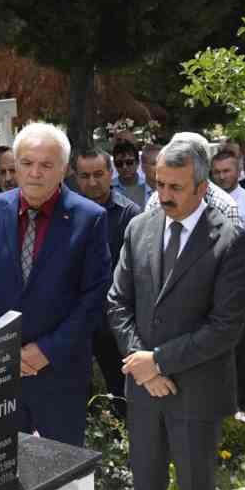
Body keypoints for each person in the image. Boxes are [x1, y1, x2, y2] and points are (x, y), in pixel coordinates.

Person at [106, 133, 245, 490]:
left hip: (196, 391)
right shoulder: (140, 229)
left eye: (175, 186)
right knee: (145, 484)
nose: (163, 195)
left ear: (202, 185)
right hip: (144, 388)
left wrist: (161, 361)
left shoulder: (229, 239)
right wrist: (142, 365)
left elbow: (226, 327)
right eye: (158, 183)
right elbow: (117, 303)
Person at [0, 122, 111, 445]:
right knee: (2, 473)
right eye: (27, 163)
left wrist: (46, 350)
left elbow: (94, 296)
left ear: (64, 169)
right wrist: (1, 347)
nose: (35, 173)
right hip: (1, 370)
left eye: (46, 165)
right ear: (15, 166)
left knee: (63, 476)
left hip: (60, 372)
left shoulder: (89, 218)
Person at [71, 147, 142, 404]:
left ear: (110, 173)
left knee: (121, 389)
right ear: (76, 178)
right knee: (79, 390)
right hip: (76, 317)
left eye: (99, 174)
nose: (92, 182)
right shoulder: (67, 214)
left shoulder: (130, 215)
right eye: (85, 175)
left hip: (114, 319)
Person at [210, 146, 245, 241]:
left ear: (238, 172)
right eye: (217, 172)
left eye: (226, 171)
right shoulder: (206, 200)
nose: (222, 177)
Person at [110, 137, 149, 208]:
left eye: (129, 162)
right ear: (115, 165)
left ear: (137, 163)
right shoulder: (109, 188)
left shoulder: (148, 187)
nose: (124, 167)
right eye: (119, 163)